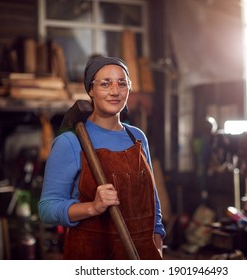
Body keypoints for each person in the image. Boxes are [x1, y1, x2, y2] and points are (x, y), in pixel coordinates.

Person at [38, 55, 165, 259]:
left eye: (121, 84)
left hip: (141, 253)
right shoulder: (70, 142)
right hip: (93, 255)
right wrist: (92, 207)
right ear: (90, 89)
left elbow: (152, 199)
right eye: (105, 84)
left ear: (128, 89)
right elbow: (47, 209)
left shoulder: (137, 137)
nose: (115, 91)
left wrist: (157, 238)